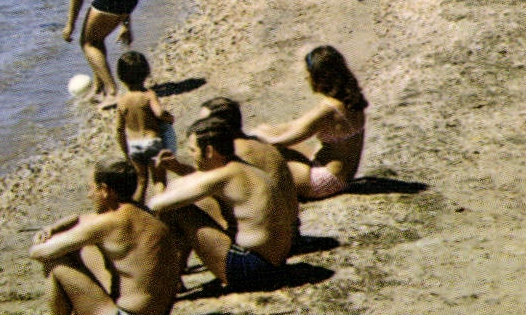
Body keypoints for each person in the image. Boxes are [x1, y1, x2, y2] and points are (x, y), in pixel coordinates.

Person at [25, 159, 183, 315]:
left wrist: (43, 239)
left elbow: (39, 253)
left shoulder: (109, 223)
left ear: (105, 190)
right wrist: (55, 228)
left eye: (91, 189)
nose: (89, 195)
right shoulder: (143, 213)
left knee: (56, 263)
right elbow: (82, 219)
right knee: (78, 248)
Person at [149, 119, 292, 292]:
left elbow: (157, 204)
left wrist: (158, 179)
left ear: (209, 151)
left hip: (254, 269)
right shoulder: (241, 168)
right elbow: (202, 181)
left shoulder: (225, 176)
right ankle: (174, 278)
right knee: (202, 201)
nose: (190, 154)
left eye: (193, 150)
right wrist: (177, 167)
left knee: (176, 209)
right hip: (274, 265)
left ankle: (168, 282)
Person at [251, 46, 368, 201]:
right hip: (342, 177)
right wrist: (265, 130)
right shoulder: (350, 102)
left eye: (309, 74)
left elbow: (284, 140)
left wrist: (255, 137)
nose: (307, 78)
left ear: (320, 78)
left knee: (262, 154)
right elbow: (296, 125)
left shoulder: (328, 109)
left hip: (324, 182)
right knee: (266, 132)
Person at [194, 98, 300, 246]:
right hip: (292, 231)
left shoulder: (233, 154)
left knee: (195, 204)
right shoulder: (258, 143)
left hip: (269, 241)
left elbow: (203, 186)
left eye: (204, 125)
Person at [115, 51, 175, 203]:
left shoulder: (122, 101)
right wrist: (169, 118)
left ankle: (138, 212)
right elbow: (159, 113)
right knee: (159, 179)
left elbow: (119, 130)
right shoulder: (148, 95)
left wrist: (125, 151)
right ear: (146, 72)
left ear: (120, 77)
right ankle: (163, 209)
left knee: (141, 182)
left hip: (134, 146)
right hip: (152, 142)